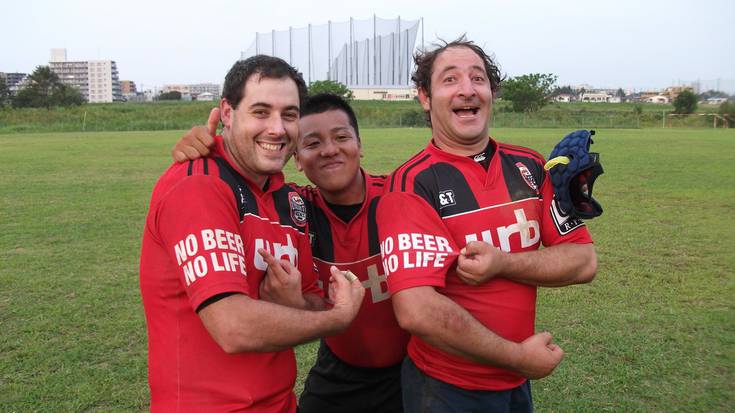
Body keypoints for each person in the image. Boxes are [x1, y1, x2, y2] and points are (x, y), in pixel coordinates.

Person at [377, 37, 597, 412]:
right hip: (445, 389)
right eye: (450, 79)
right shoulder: (411, 184)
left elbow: (583, 261)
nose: (467, 89)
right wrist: (518, 357)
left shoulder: (530, 167)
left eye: (478, 78)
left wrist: (502, 262)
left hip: (515, 382)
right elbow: (417, 311)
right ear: (425, 97)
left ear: (492, 92)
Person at [139, 56, 364, 413]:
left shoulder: (287, 200)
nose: (277, 128)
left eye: (289, 115)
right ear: (227, 113)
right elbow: (232, 327)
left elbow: (310, 299)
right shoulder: (198, 186)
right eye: (261, 112)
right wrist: (336, 319)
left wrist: (295, 302)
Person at [173, 93, 410, 413]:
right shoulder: (291, 211)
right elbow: (239, 186)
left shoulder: (401, 198)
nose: (329, 150)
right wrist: (210, 149)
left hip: (412, 368)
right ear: (296, 158)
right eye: (312, 143)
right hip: (339, 370)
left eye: (341, 137)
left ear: (360, 144)